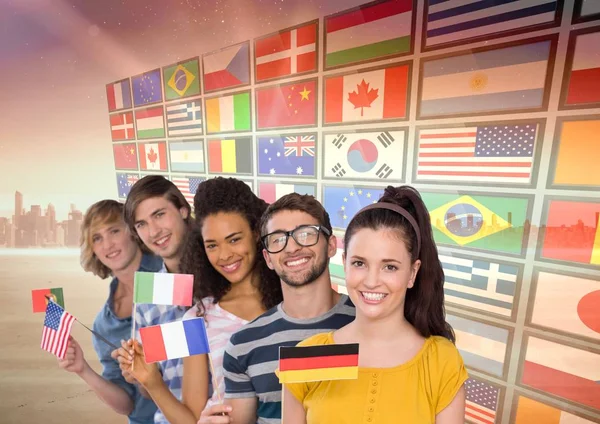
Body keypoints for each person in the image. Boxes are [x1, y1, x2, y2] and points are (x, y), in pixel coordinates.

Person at [282, 186, 468, 424]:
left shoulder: (441, 361)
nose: (371, 281)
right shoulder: (308, 356)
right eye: (359, 263)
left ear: (413, 272)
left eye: (389, 266)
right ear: (345, 263)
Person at [117, 177, 283, 424]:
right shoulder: (198, 317)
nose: (225, 255)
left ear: (256, 232)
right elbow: (190, 418)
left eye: (234, 239)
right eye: (212, 245)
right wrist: (152, 382)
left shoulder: (290, 297)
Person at [199, 193, 356, 423]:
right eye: (277, 239)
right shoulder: (243, 344)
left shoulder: (367, 320)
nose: (292, 247)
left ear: (331, 245)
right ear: (268, 258)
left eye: (305, 234)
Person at [58, 199, 162, 424]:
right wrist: (83, 369)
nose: (108, 245)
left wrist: (149, 370)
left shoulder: (168, 273)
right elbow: (126, 404)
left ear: (134, 232)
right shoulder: (104, 324)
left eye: (114, 231)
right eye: (97, 238)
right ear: (93, 249)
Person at [115, 175, 194, 424]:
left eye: (159, 215)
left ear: (182, 209)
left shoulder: (225, 270)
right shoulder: (149, 292)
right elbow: (152, 387)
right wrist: (136, 375)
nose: (154, 231)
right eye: (142, 224)